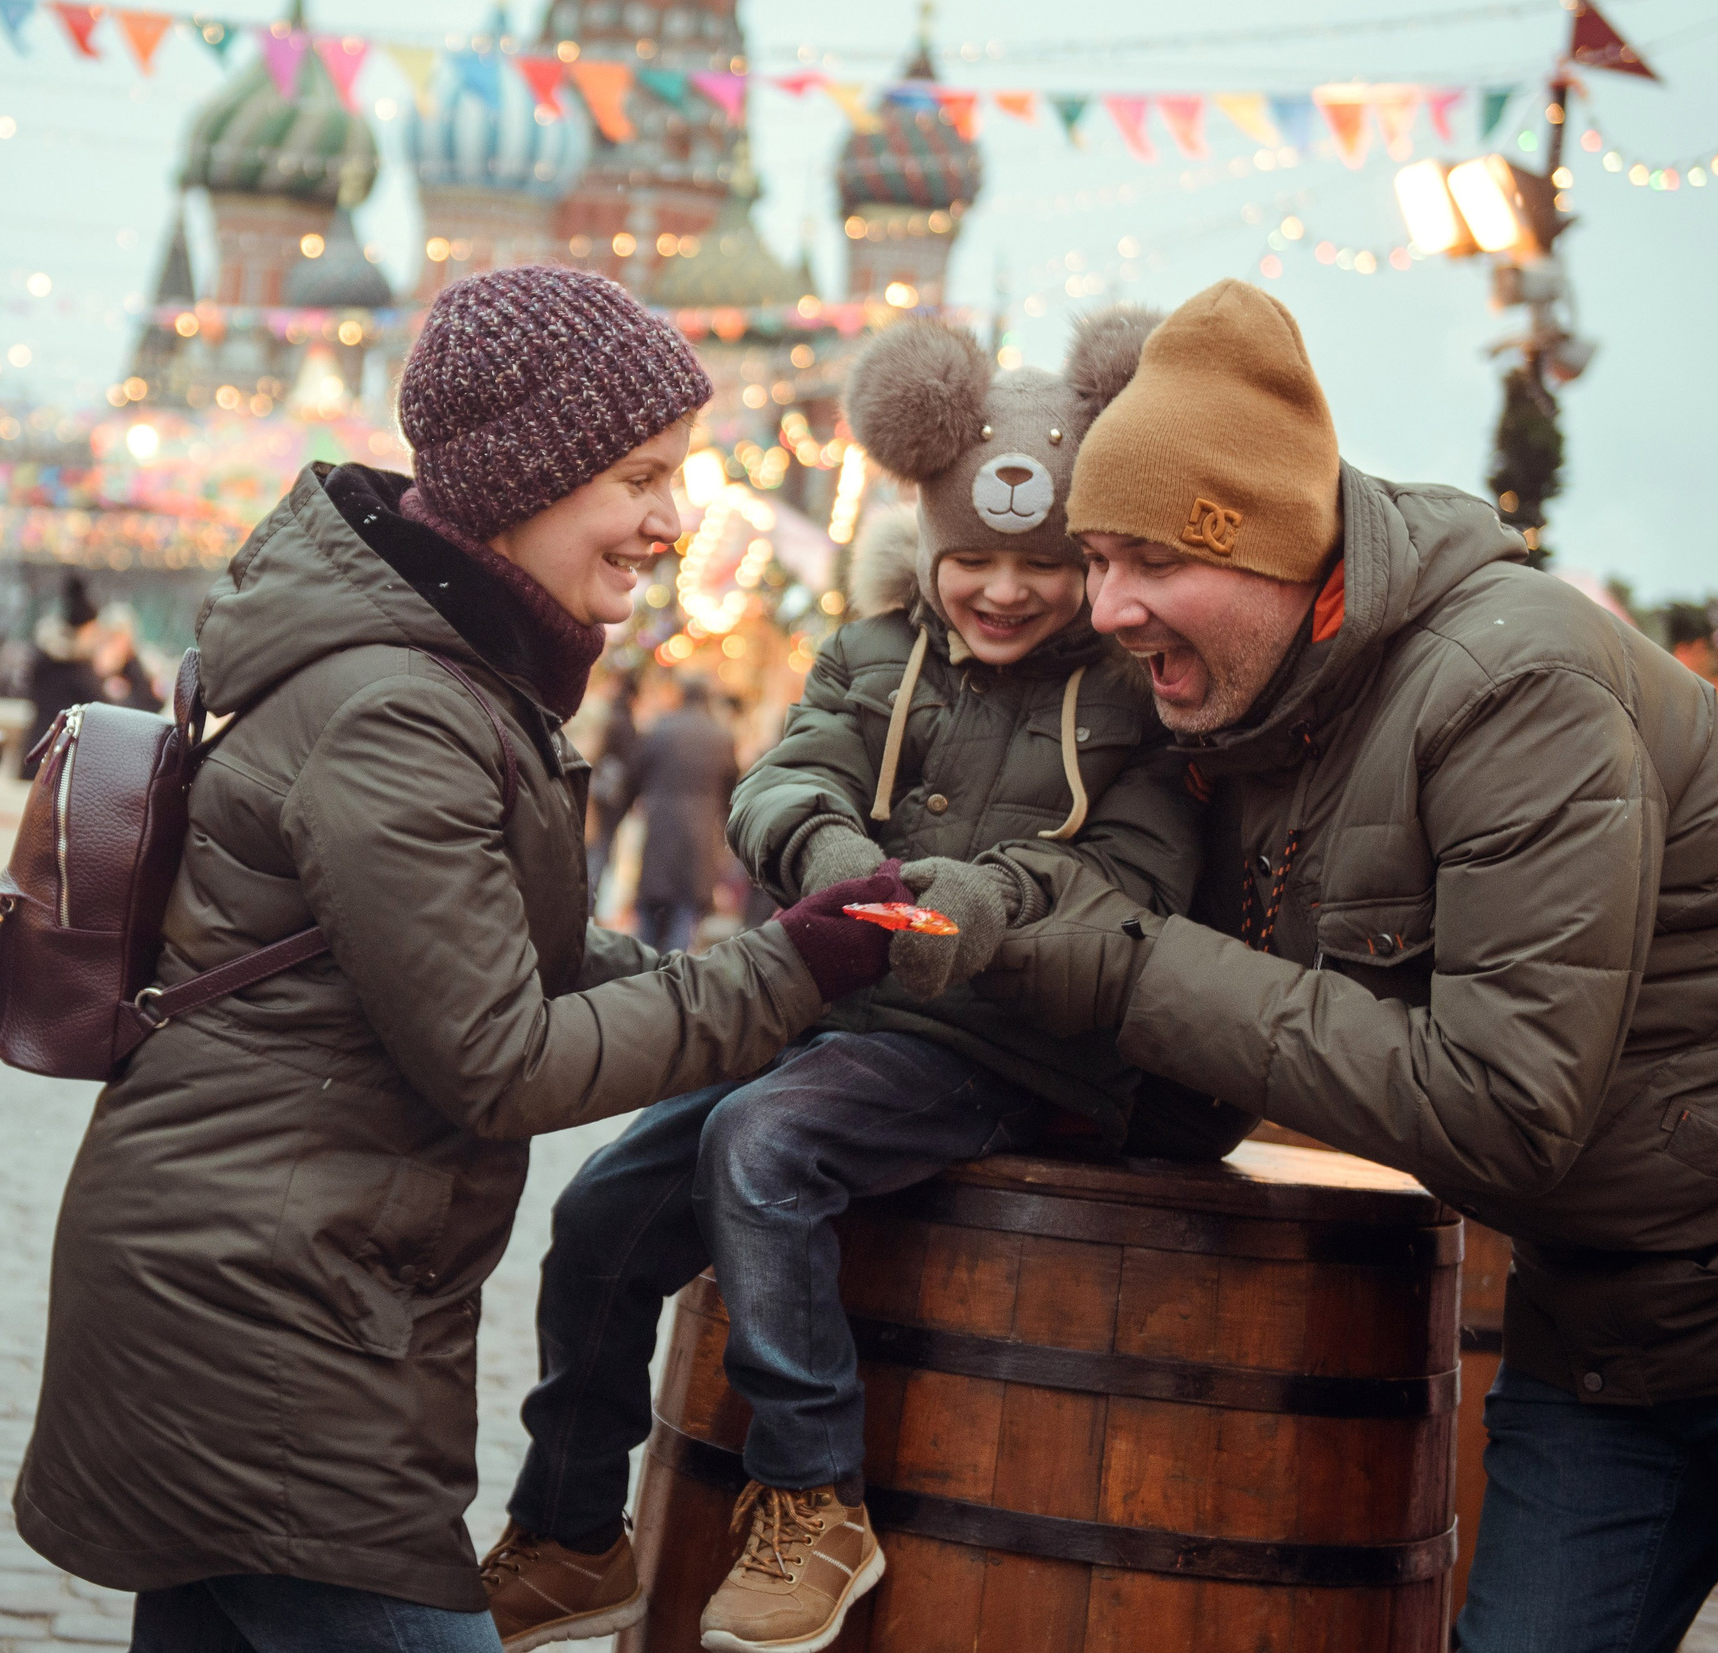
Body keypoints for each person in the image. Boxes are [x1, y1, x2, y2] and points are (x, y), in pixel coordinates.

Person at [978, 279, 1718, 1653]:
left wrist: (1125, 969)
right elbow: (1227, 1032)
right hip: (1615, 1292)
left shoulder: (1506, 684)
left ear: (1277, 548)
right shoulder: (1236, 711)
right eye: (1094, 558)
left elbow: (1501, 1105)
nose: (1107, 608)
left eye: (1148, 561)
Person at [10, 264, 909, 1653]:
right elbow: (501, 1058)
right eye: (639, 477)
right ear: (520, 481)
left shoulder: (440, 673)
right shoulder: (401, 707)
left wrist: (776, 989)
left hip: (268, 1291)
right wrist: (786, 976)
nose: (672, 521)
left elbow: (519, 953)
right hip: (269, 1328)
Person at [484, 315, 1251, 1653]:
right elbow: (789, 775)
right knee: (605, 1209)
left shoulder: (1135, 691)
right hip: (848, 1005)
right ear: (930, 544)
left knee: (764, 1143)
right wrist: (835, 859)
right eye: (975, 558)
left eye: (1042, 563)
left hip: (1016, 1038)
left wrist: (981, 907)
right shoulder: (874, 645)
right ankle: (570, 1530)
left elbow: (1136, 873)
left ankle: (812, 1496)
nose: (1004, 592)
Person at [626, 676, 736, 953]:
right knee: (686, 908)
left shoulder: (661, 728)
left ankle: (643, 965)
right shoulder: (720, 735)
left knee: (651, 905)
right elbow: (731, 786)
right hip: (701, 828)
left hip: (661, 822)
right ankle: (672, 970)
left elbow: (636, 772)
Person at [21, 575, 103, 762]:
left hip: (40, 748)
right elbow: (97, 708)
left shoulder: (46, 661)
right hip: (62, 756)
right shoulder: (74, 670)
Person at [584, 671, 642, 910]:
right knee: (598, 852)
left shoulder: (608, 716)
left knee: (593, 850)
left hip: (598, 793)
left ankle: (586, 905)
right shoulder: (624, 723)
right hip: (608, 798)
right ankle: (587, 906)